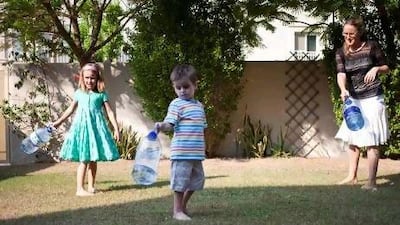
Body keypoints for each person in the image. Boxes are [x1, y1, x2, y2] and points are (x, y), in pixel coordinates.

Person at [335, 17, 390, 191]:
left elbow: (387, 66)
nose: (348, 37)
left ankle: (371, 182)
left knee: (372, 139)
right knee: (353, 139)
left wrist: (376, 68)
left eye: (351, 33)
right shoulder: (341, 52)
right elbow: (341, 74)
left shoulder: (371, 46)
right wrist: (343, 89)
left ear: (359, 33)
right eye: (345, 34)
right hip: (355, 99)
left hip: (373, 97)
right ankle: (352, 177)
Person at [52, 62, 120, 196]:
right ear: (82, 78)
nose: (90, 80)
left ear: (97, 79)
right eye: (87, 78)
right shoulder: (79, 93)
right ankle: (79, 189)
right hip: (82, 130)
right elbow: (70, 109)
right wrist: (58, 122)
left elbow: (110, 112)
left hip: (95, 130)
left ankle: (91, 187)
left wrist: (116, 129)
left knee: (93, 159)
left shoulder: (101, 94)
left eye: (92, 78)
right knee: (84, 158)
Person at [155, 64, 207, 221]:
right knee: (180, 182)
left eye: (186, 86)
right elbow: (169, 124)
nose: (182, 90)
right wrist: (161, 126)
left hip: (196, 153)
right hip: (181, 152)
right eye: (178, 88)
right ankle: (177, 211)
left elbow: (203, 128)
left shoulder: (199, 106)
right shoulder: (176, 104)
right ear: (174, 87)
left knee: (197, 181)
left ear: (195, 85)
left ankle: (182, 206)